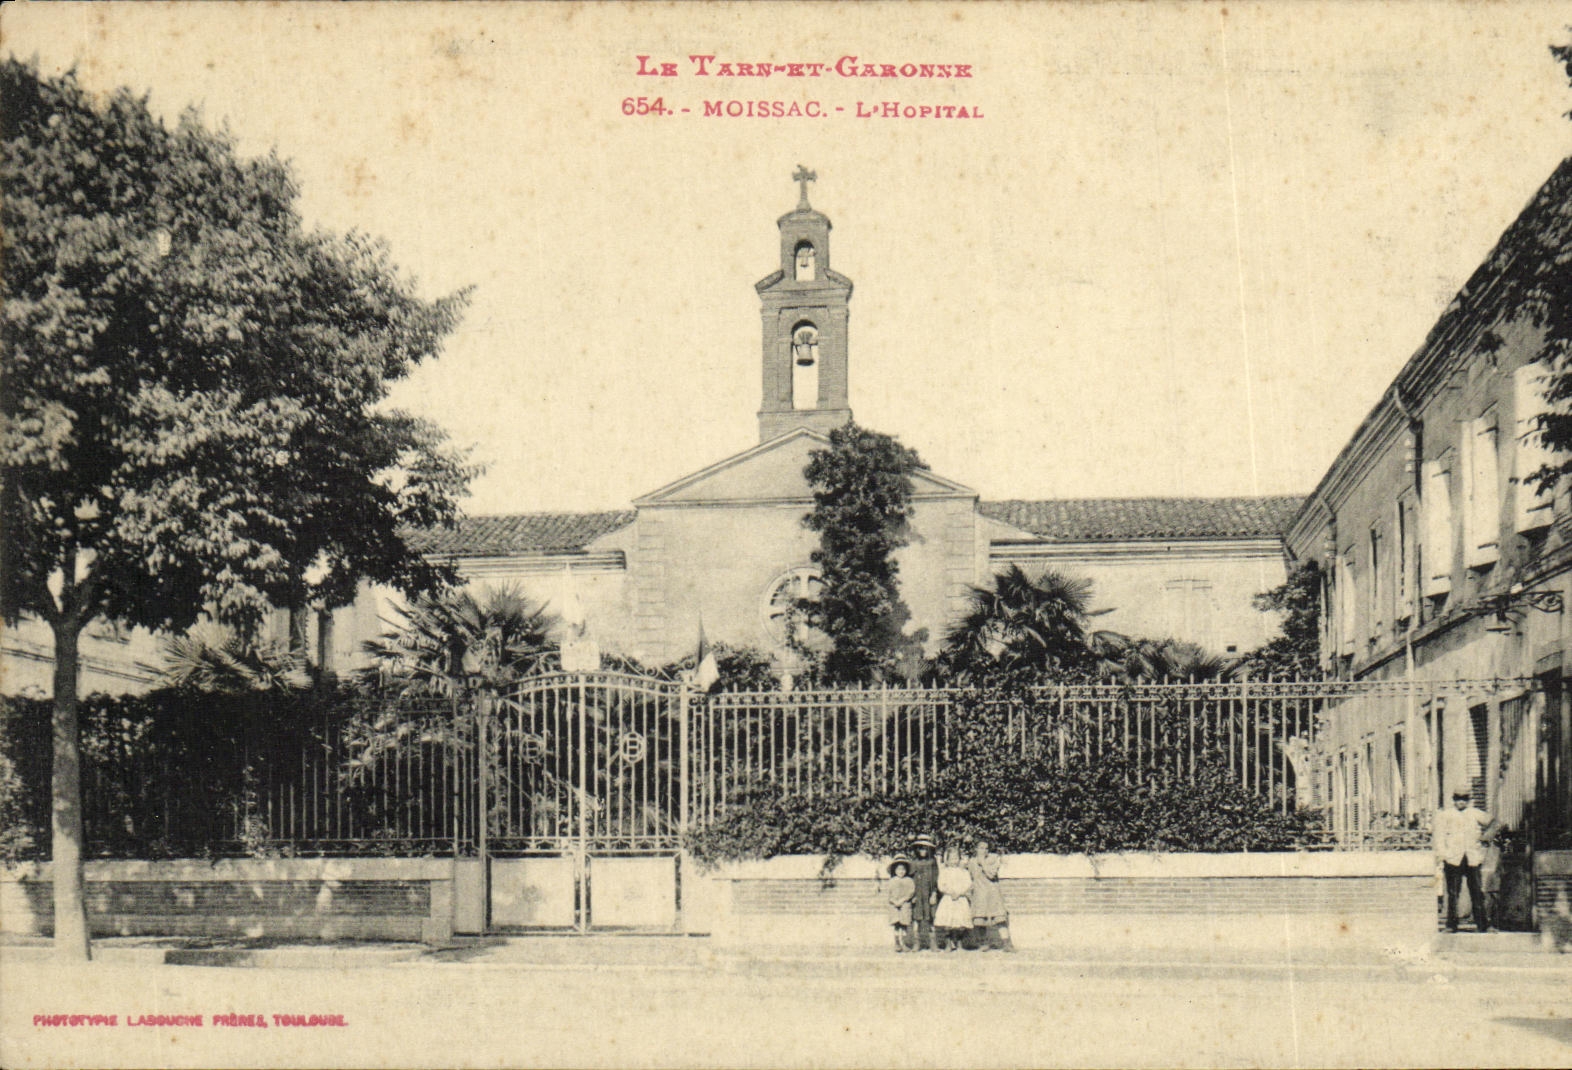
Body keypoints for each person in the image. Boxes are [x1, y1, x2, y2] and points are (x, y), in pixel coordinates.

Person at [1433, 789, 1499, 933]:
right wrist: (1443, 855)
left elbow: (1494, 822)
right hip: (1453, 858)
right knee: (1453, 893)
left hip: (1472, 857)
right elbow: (1439, 837)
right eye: (1458, 799)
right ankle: (1451, 925)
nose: (1461, 802)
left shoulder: (1475, 813)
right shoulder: (1445, 815)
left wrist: (1486, 838)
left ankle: (1483, 925)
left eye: (1464, 799)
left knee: (1476, 891)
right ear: (1454, 800)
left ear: (1469, 800)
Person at [966, 839, 1014, 951]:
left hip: (993, 893)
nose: (984, 850)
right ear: (976, 849)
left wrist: (983, 863)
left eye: (986, 848)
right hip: (979, 893)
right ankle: (984, 943)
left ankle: (1007, 944)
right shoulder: (972, 861)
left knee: (999, 919)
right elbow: (970, 876)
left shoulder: (993, 860)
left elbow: (991, 875)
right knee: (980, 919)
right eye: (981, 848)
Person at [934, 845, 972, 951]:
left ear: (959, 859)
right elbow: (941, 885)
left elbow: (968, 884)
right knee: (948, 922)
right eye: (951, 859)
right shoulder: (945, 871)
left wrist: (959, 893)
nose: (954, 861)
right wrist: (950, 892)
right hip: (949, 898)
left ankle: (959, 943)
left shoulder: (964, 872)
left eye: (956, 858)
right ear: (947, 859)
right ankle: (948, 943)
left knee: (960, 923)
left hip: (960, 899)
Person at [907, 834, 940, 951]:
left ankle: (933, 942)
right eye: (920, 848)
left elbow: (936, 878)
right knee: (917, 918)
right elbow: (910, 880)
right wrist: (912, 895)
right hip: (918, 894)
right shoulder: (913, 862)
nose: (923, 851)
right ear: (917, 849)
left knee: (931, 918)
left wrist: (934, 893)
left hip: (929, 893)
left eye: (925, 848)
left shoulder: (932, 862)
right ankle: (917, 942)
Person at [887, 856, 916, 953]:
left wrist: (903, 900)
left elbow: (911, 892)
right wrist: (894, 901)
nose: (901, 871)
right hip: (894, 905)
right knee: (896, 924)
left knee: (904, 925)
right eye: (899, 869)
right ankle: (897, 943)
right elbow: (888, 894)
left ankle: (904, 943)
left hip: (905, 905)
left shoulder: (909, 881)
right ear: (894, 870)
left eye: (903, 869)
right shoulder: (891, 881)